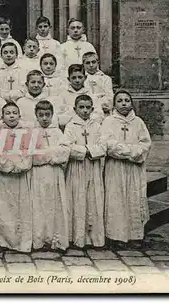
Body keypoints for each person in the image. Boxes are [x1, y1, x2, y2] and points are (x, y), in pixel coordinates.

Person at [100, 90, 152, 249]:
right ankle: (116, 236)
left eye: (127, 100)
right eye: (120, 100)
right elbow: (108, 144)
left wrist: (133, 153)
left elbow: (145, 144)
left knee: (134, 198)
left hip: (134, 168)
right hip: (115, 167)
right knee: (116, 199)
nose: (123, 103)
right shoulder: (109, 121)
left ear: (131, 103)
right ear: (114, 104)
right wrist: (130, 151)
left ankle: (135, 235)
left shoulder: (138, 122)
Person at [64, 95, 106, 248]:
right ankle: (76, 237)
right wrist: (86, 152)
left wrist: (90, 152)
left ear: (93, 109)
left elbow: (103, 145)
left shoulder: (97, 125)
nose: (85, 111)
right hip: (77, 168)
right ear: (75, 109)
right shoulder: (71, 126)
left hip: (93, 167)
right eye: (81, 107)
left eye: (88, 107)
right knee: (77, 199)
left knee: (93, 199)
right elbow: (67, 146)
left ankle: (94, 238)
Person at [0, 102, 33, 252]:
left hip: (21, 177)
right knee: (4, 208)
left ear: (19, 116)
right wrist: (8, 167)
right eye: (8, 113)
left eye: (14, 113)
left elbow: (28, 151)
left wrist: (21, 166)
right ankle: (4, 241)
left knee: (21, 208)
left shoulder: (25, 133)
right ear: (2, 117)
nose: (11, 116)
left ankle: (22, 242)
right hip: (5, 177)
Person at [30, 100, 70, 250]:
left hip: (54, 174)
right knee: (39, 204)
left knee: (55, 205)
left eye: (48, 115)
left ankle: (55, 239)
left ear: (53, 115)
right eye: (41, 115)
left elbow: (65, 151)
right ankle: (40, 239)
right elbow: (32, 155)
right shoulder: (32, 133)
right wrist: (52, 154)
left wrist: (47, 155)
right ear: (36, 116)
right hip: (38, 174)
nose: (45, 118)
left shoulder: (57, 132)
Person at [82, 52, 114, 117]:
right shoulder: (81, 79)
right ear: (83, 65)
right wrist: (99, 97)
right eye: (88, 63)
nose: (91, 65)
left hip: (103, 110)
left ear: (98, 63)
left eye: (93, 62)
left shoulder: (106, 78)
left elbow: (109, 97)